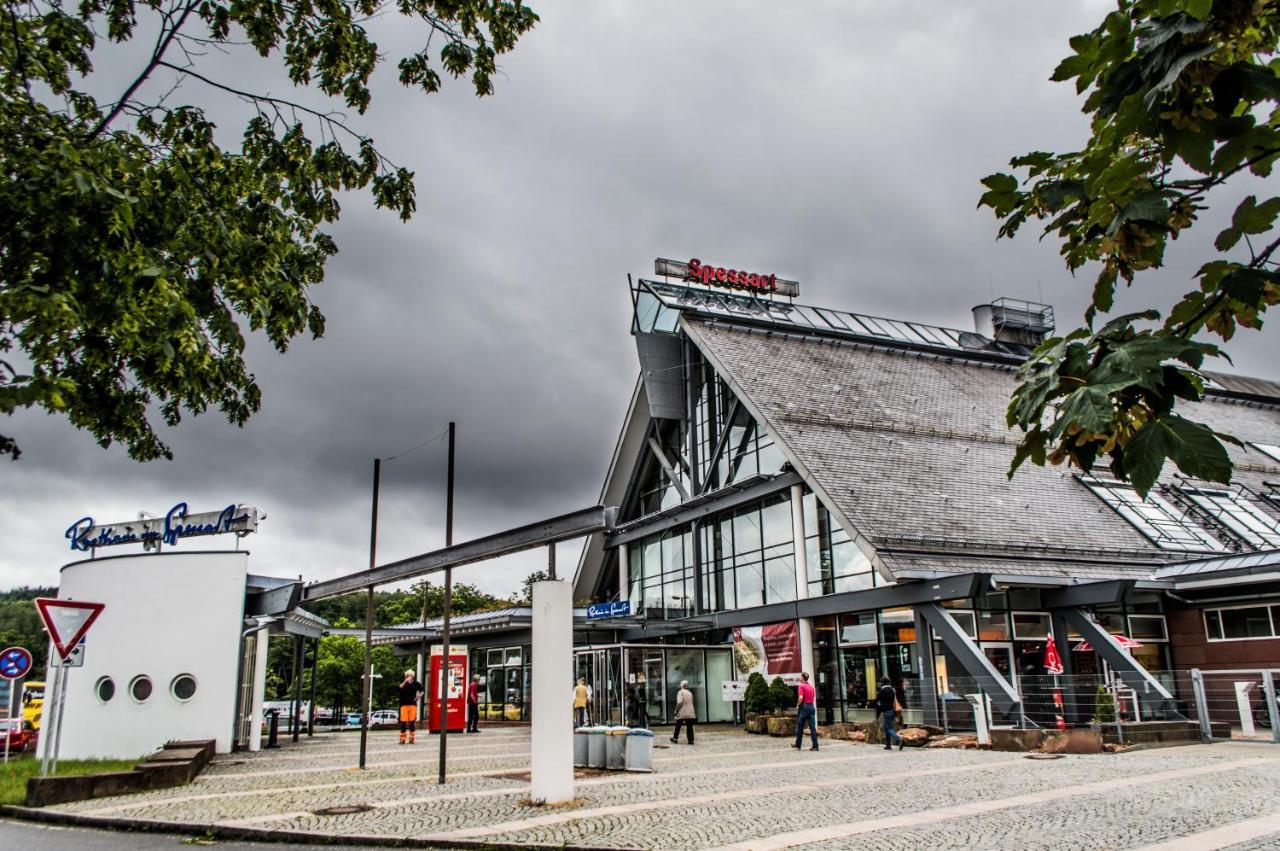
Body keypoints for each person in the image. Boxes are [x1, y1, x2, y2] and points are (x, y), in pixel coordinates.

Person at [875, 676, 904, 751]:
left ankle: (899, 739)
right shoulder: (892, 690)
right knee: (887, 727)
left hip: (886, 711)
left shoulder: (882, 691)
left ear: (882, 683)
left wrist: (871, 704)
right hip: (893, 711)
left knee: (889, 728)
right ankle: (888, 745)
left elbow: (877, 700)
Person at [791, 672, 819, 751]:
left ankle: (798, 744)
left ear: (803, 678)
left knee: (800, 726)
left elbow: (801, 697)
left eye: (800, 677)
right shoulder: (811, 687)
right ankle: (815, 746)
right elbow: (813, 696)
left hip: (804, 707)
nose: (799, 678)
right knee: (812, 728)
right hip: (811, 707)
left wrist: (798, 704)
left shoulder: (801, 686)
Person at [398, 670, 424, 745]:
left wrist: (418, 696)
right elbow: (398, 689)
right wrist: (405, 682)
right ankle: (402, 739)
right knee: (403, 723)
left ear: (413, 676)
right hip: (404, 705)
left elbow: (422, 691)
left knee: (412, 723)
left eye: (410, 676)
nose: (408, 677)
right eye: (407, 676)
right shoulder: (403, 683)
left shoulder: (416, 684)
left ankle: (411, 739)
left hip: (412, 705)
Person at [671, 680, 695, 744]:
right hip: (690, 711)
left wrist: (676, 709)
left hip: (682, 711)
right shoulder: (690, 693)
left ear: (682, 685)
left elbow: (680, 702)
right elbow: (691, 702)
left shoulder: (680, 692)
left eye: (680, 684)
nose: (680, 685)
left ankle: (675, 738)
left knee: (678, 725)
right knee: (689, 726)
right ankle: (691, 740)